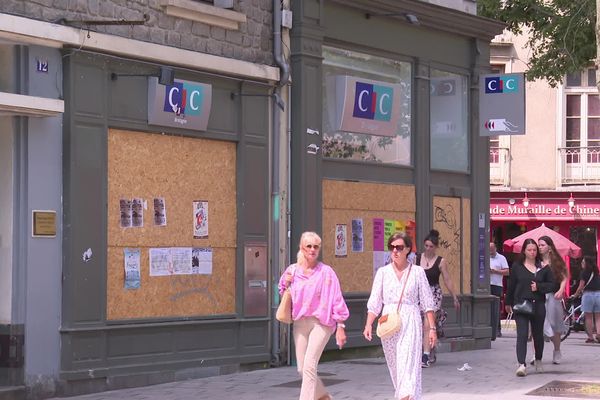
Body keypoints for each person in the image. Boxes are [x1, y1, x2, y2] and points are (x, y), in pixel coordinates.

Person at [363, 232, 436, 400]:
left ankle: (406, 396)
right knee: (396, 368)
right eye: (392, 247)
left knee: (407, 365)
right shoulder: (383, 272)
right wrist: (368, 324)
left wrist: (432, 328)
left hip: (410, 320)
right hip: (388, 321)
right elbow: (375, 301)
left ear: (408, 250)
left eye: (399, 247)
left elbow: (427, 302)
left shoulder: (417, 272)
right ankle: (406, 396)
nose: (395, 251)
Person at [278, 231, 349, 400]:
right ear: (302, 248)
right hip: (300, 322)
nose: (312, 249)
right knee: (302, 368)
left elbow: (337, 298)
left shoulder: (326, 272)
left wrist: (341, 326)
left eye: (316, 246)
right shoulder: (292, 270)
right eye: (309, 246)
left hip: (322, 323)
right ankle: (323, 396)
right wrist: (286, 283)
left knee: (310, 365)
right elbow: (282, 292)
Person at [505, 238, 558, 377]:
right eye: (529, 250)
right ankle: (521, 364)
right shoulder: (517, 266)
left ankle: (539, 359)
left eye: (535, 250)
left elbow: (553, 285)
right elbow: (511, 285)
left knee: (538, 334)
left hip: (538, 304)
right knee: (522, 334)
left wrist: (539, 287)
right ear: (524, 251)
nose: (533, 252)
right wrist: (508, 302)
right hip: (521, 304)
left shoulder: (543, 267)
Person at [415, 229, 460, 367]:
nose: (428, 249)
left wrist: (454, 297)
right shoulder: (416, 259)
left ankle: (425, 356)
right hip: (419, 293)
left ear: (436, 247)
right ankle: (430, 348)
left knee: (428, 324)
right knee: (420, 325)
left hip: (434, 293)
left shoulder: (441, 261)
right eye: (426, 246)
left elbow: (447, 279)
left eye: (431, 246)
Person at [537, 236, 568, 363]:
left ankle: (557, 350)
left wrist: (561, 290)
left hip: (553, 295)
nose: (540, 247)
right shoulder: (536, 261)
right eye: (539, 245)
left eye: (542, 245)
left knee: (556, 325)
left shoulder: (556, 262)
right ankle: (536, 354)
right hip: (539, 296)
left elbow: (564, 276)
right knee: (537, 325)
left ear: (549, 247)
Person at [572, 255, 600, 343]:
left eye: (583, 262)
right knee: (598, 317)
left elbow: (581, 286)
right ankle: (599, 334)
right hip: (598, 294)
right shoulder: (596, 272)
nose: (581, 263)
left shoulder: (584, 273)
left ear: (586, 263)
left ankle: (590, 337)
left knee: (588, 317)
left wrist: (575, 295)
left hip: (588, 295)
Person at [490, 242, 509, 339]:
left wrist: (495, 271)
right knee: (487, 308)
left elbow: (507, 272)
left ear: (496, 248)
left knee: (496, 308)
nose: (491, 250)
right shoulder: (484, 257)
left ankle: (497, 329)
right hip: (486, 285)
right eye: (489, 249)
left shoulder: (501, 258)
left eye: (492, 248)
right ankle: (489, 329)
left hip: (497, 285)